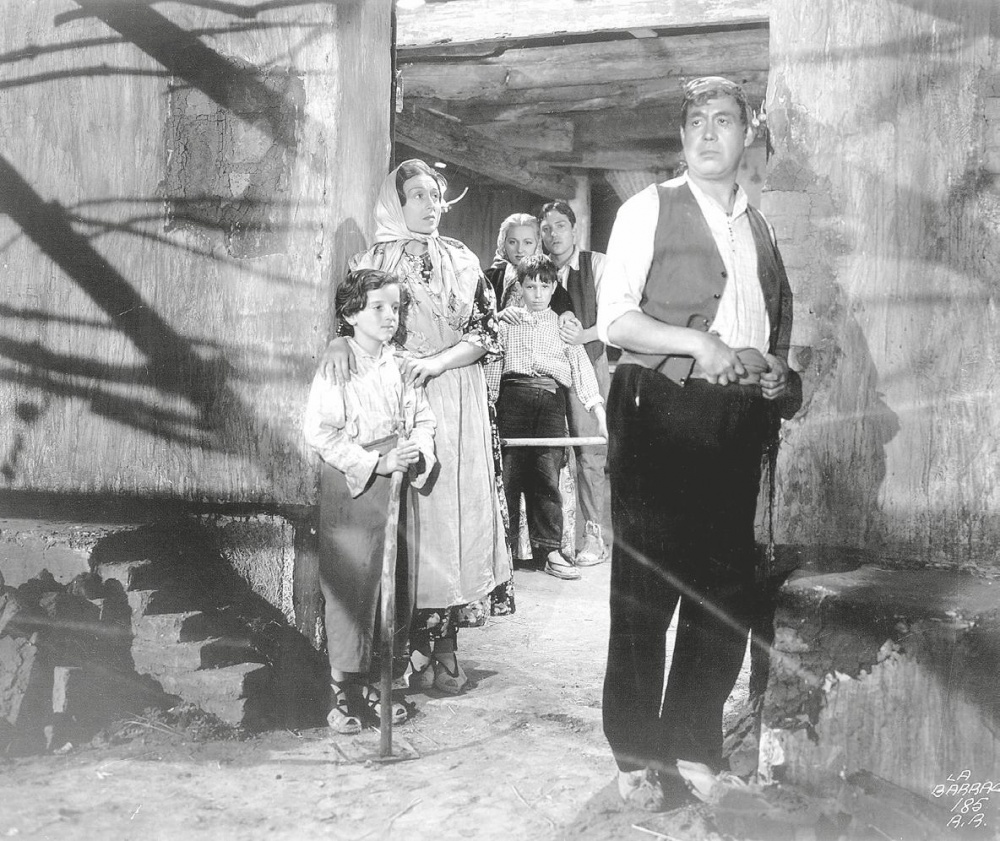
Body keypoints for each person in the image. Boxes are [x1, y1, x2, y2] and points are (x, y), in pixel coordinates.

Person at [596, 77, 802, 810]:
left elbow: (771, 330)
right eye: (696, 122)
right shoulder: (648, 209)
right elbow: (615, 319)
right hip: (660, 410)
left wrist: (776, 372)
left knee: (722, 594)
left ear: (748, 136)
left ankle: (692, 743)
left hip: (736, 422)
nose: (709, 133)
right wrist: (695, 343)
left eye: (724, 120)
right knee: (647, 591)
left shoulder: (760, 229)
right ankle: (636, 755)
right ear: (682, 138)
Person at [321, 159, 512, 696]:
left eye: (435, 195)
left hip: (458, 392)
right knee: (413, 521)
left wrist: (438, 362)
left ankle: (446, 654)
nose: (431, 205)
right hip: (399, 395)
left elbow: (486, 332)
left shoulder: (462, 258)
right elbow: (350, 323)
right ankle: (400, 654)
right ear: (396, 203)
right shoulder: (372, 261)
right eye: (418, 196)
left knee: (456, 520)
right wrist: (338, 342)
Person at [303, 268, 437, 733]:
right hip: (354, 488)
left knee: (394, 584)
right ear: (350, 313)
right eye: (377, 307)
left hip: (399, 481)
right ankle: (343, 692)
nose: (389, 316)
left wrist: (417, 451)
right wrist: (375, 463)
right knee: (353, 585)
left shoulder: (403, 366)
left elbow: (424, 420)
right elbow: (320, 432)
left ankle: (384, 683)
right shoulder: (339, 366)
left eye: (395, 307)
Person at [490, 255, 608, 581]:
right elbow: (493, 369)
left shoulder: (562, 327)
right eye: (531, 286)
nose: (538, 293)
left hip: (551, 404)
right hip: (512, 401)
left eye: (545, 286)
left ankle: (550, 552)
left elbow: (582, 371)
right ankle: (502, 555)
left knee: (546, 479)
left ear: (555, 287)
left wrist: (599, 414)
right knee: (508, 478)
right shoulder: (505, 323)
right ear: (520, 287)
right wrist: (489, 407)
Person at [539, 200, 609, 567]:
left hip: (589, 363)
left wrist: (583, 336)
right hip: (548, 370)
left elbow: (616, 318)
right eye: (546, 228)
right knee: (549, 453)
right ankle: (553, 539)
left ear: (574, 229)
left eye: (561, 226)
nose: (553, 234)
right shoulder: (535, 268)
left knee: (590, 453)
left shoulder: (596, 264)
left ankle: (594, 536)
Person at [485, 213, 572, 315]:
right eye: (512, 242)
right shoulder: (488, 278)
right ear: (503, 244)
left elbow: (566, 313)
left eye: (527, 242)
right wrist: (499, 316)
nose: (520, 249)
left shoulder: (549, 279)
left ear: (537, 244)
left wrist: (568, 314)